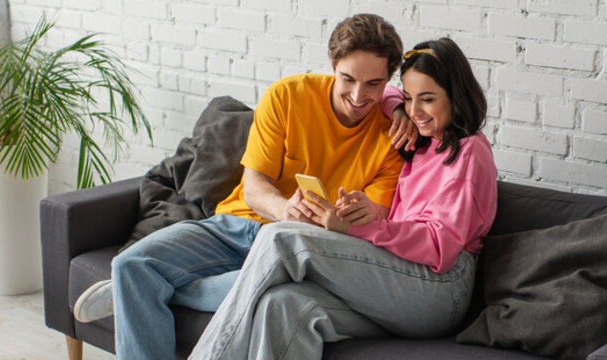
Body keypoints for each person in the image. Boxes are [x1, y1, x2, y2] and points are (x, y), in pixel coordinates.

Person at [69, 14, 417, 360]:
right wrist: (283, 210)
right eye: (348, 79)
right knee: (129, 265)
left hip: (297, 252)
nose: (358, 96)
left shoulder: (392, 137)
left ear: (388, 80)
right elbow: (254, 187)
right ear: (332, 65)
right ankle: (139, 285)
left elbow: (374, 219)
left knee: (269, 296)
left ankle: (146, 289)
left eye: (373, 84)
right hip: (237, 227)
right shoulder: (289, 96)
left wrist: (345, 220)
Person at [189, 37, 496, 360]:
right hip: (402, 276)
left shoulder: (469, 151)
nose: (416, 111)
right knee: (282, 306)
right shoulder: (419, 138)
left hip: (440, 288)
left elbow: (438, 247)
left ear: (455, 95)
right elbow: (385, 95)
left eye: (428, 99)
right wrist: (397, 107)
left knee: (282, 237)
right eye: (409, 98)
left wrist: (357, 229)